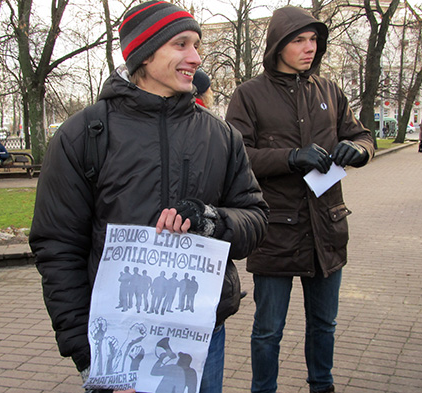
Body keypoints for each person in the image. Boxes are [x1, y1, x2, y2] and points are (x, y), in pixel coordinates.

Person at [29, 2, 269, 393]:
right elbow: (57, 248)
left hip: (202, 337)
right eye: (181, 44)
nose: (195, 57)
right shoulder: (83, 135)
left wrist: (214, 220)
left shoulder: (221, 136)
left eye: (196, 45)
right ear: (144, 52)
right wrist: (88, 356)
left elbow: (256, 218)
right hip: (118, 343)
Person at [226, 7, 374, 393]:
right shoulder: (249, 94)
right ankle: (264, 389)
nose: (309, 48)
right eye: (299, 40)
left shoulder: (328, 89)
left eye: (314, 40)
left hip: (326, 228)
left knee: (324, 324)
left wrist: (357, 150)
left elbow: (362, 135)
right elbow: (236, 156)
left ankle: (321, 385)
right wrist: (291, 157)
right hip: (275, 231)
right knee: (268, 329)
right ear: (278, 45)